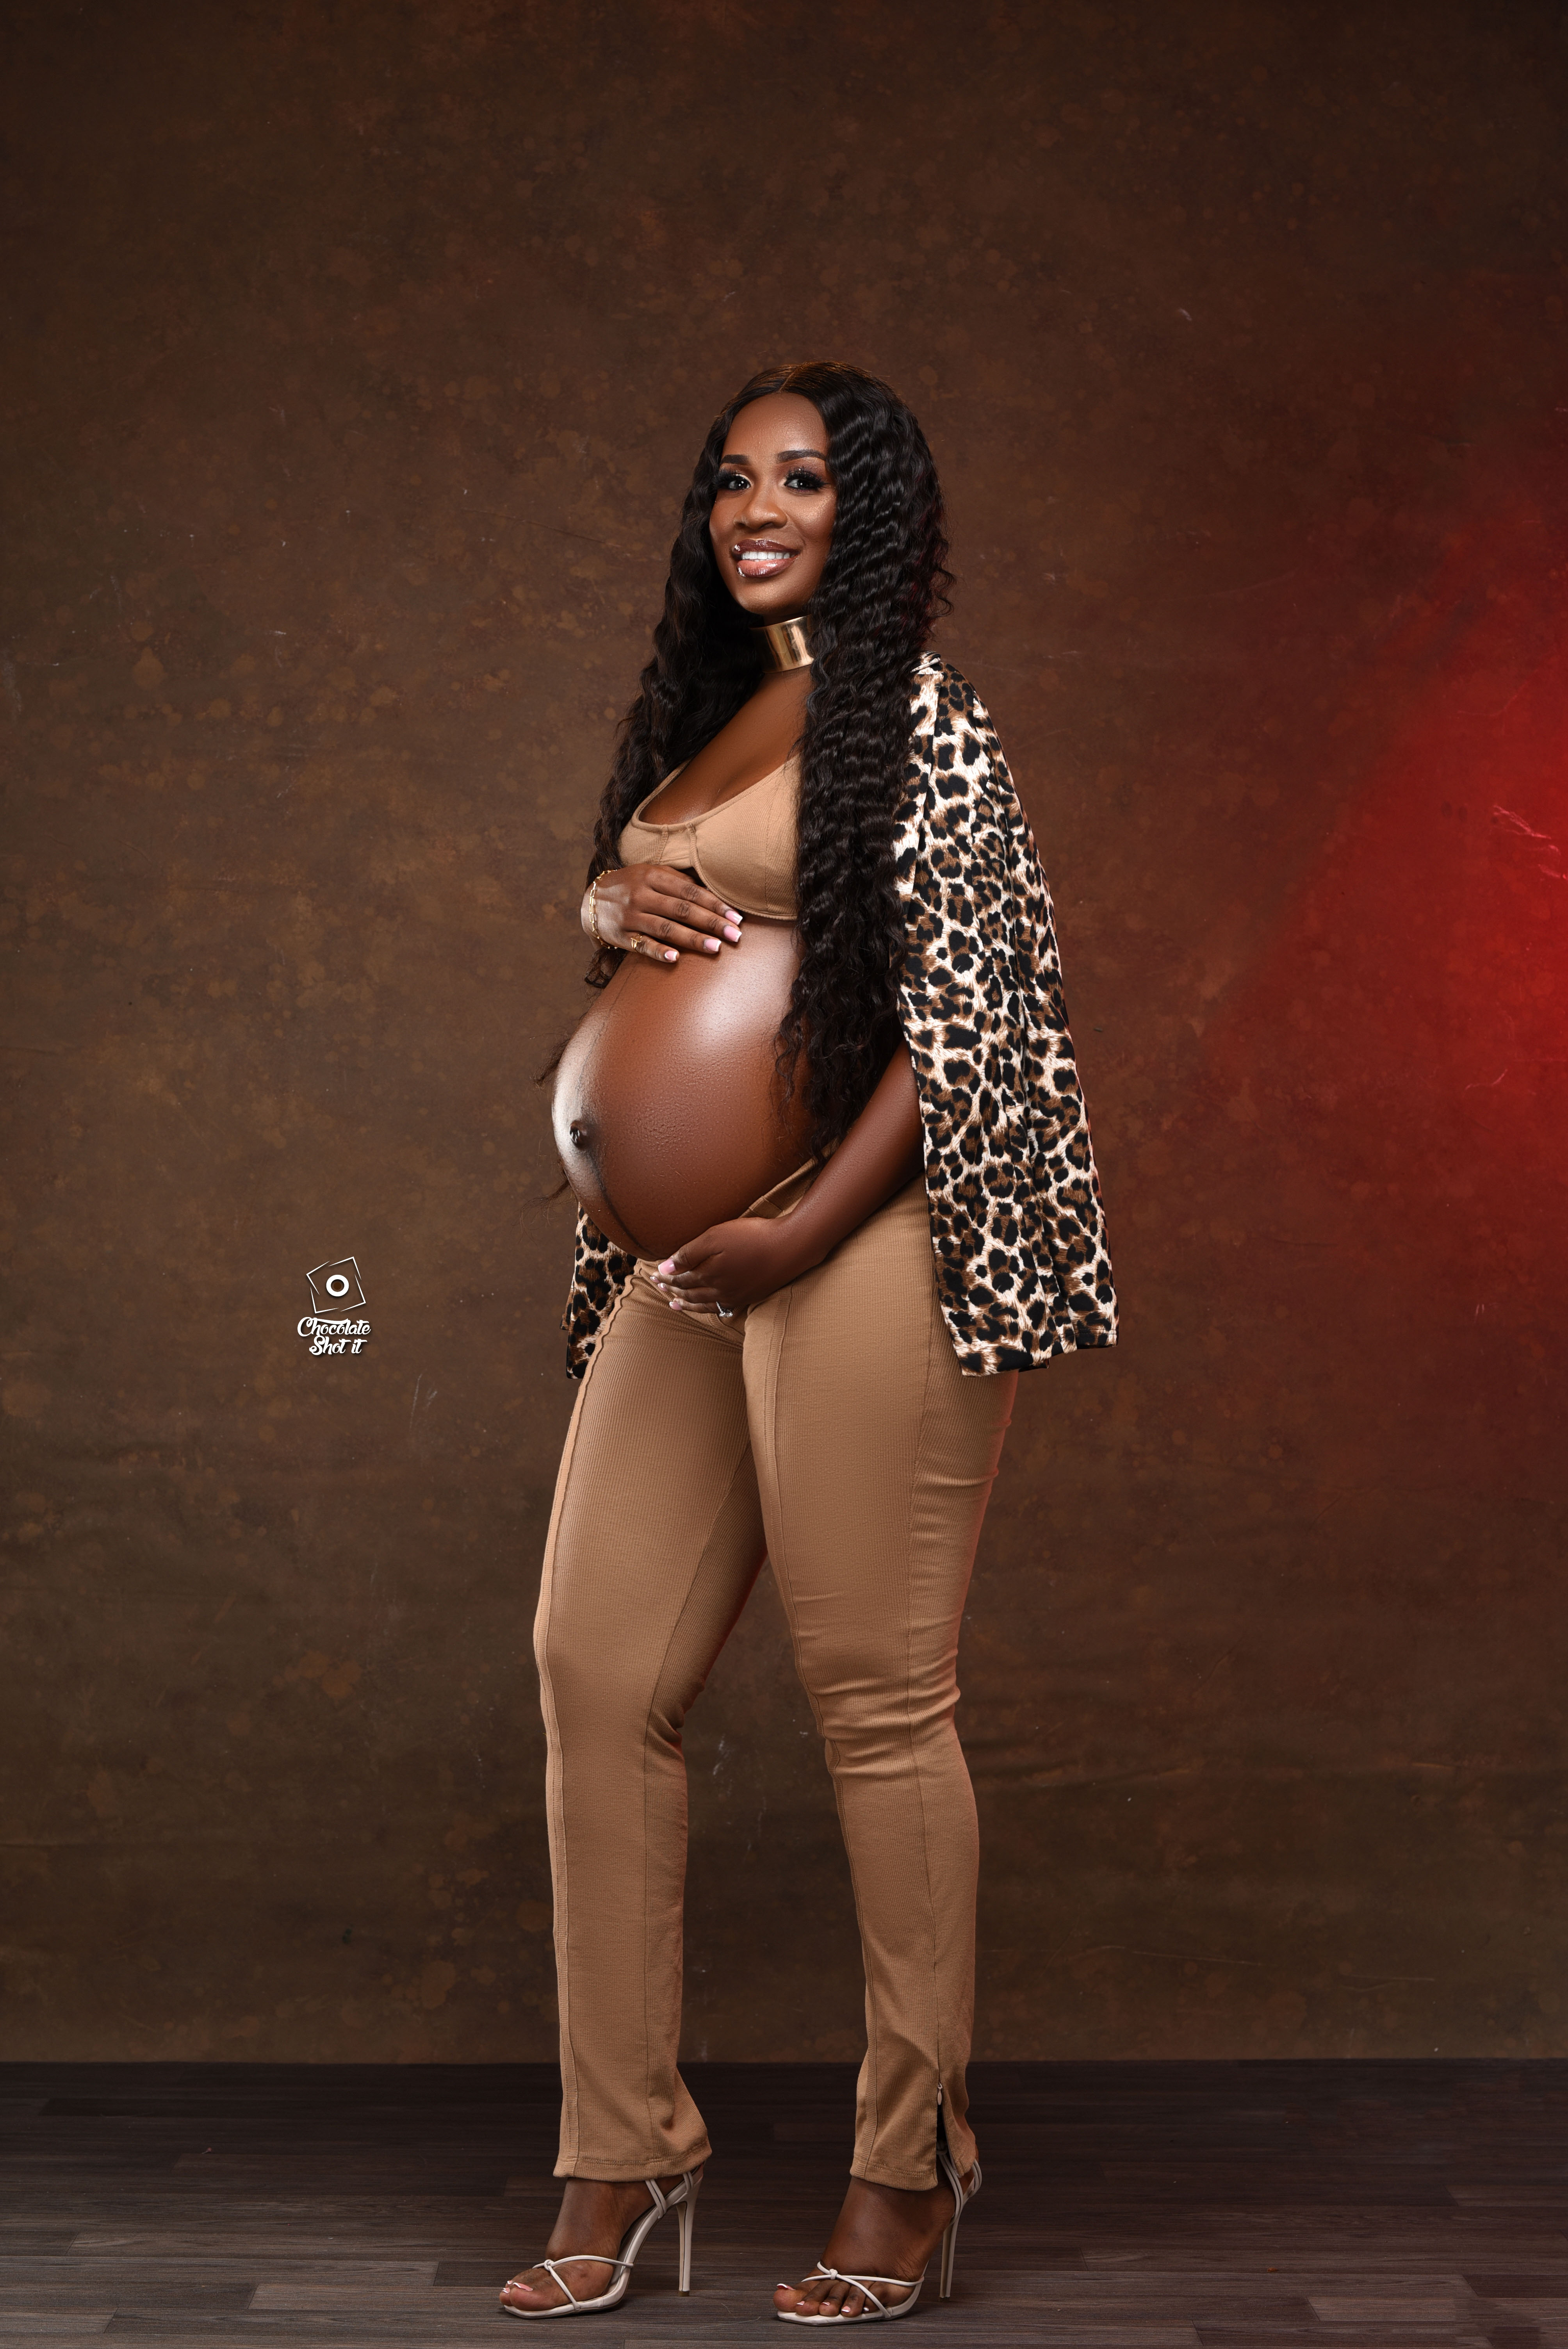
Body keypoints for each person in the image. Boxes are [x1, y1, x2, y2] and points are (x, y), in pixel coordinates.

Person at [501, 362, 1115, 2326]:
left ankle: (906, 2160)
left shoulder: (918, 715)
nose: (754, 506)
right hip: (688, 1256)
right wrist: (605, 886)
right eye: (730, 478)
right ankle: (622, 2145)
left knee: (873, 1697)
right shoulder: (714, 713)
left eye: (801, 478)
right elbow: (676, 935)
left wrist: (801, 1223)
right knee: (595, 1665)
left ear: (874, 513)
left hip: (861, 1239)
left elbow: (967, 1011)